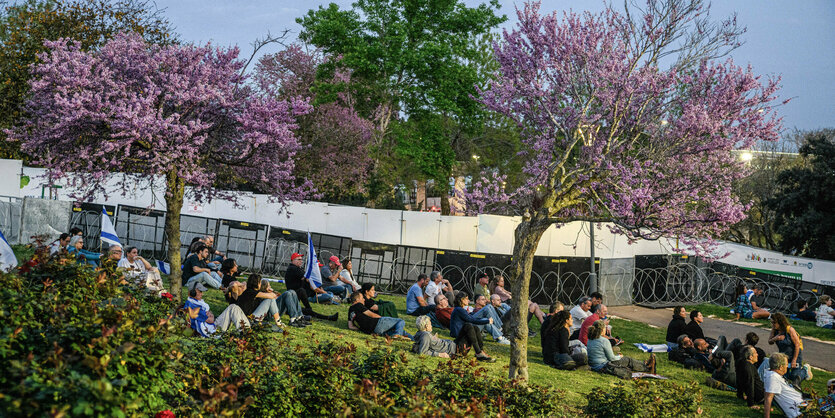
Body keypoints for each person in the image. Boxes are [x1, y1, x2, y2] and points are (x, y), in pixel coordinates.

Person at [232, 274, 308, 328]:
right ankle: (284, 321)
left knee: (292, 292)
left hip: (259, 314)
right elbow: (272, 297)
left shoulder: (253, 292)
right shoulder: (251, 292)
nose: (260, 284)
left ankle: (299, 317)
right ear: (257, 283)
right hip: (254, 317)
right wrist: (269, 292)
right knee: (275, 298)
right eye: (259, 282)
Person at [587, 320, 655, 379]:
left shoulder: (590, 339)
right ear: (602, 330)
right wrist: (619, 356)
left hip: (595, 365)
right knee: (627, 360)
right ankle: (647, 368)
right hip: (603, 366)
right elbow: (612, 358)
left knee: (626, 361)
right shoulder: (604, 341)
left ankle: (645, 364)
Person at [412, 315, 494, 362]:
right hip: (456, 350)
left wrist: (435, 340)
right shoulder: (425, 335)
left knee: (474, 328)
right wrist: (439, 354)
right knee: (468, 326)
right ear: (426, 326)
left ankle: (480, 352)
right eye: (430, 324)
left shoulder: (421, 333)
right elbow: (422, 352)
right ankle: (479, 352)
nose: (431, 326)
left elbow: (422, 345)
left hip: (453, 344)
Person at [283, 253, 338, 321]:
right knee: (303, 293)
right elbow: (309, 282)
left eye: (301, 259)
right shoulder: (293, 268)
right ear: (293, 260)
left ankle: (326, 316)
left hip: (296, 298)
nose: (301, 261)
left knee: (307, 308)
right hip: (296, 297)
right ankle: (326, 316)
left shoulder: (297, 269)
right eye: (299, 259)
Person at [184, 283, 249, 337]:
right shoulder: (193, 306)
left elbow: (210, 315)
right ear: (193, 293)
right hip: (212, 330)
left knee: (234, 307)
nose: (202, 294)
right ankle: (246, 333)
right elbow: (210, 320)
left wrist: (210, 315)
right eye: (200, 292)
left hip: (212, 326)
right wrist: (211, 316)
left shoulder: (195, 302)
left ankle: (247, 330)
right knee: (233, 307)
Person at [347, 292, 412, 339]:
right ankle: (397, 335)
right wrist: (383, 318)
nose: (364, 299)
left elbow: (350, 326)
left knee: (398, 330)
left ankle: (414, 339)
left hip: (373, 331)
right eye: (362, 298)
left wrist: (361, 328)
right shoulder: (358, 305)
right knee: (400, 321)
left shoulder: (350, 311)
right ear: (357, 300)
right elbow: (372, 315)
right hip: (378, 323)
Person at [768, 313, 810, 385]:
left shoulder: (789, 330)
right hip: (783, 356)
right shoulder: (775, 330)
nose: (773, 324)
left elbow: (797, 345)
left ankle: (805, 371)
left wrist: (794, 360)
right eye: (772, 322)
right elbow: (770, 341)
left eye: (774, 322)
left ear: (780, 322)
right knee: (784, 376)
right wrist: (777, 338)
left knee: (794, 376)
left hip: (794, 354)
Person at [763, 353, 806, 418]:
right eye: (786, 364)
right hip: (799, 410)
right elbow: (768, 398)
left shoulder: (774, 375)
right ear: (780, 367)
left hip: (802, 404)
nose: (787, 366)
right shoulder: (773, 377)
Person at [735, 345, 765, 410]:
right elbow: (750, 384)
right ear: (750, 357)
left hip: (757, 395)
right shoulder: (749, 368)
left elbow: (738, 380)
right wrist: (751, 404)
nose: (757, 355)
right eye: (755, 353)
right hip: (761, 397)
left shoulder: (740, 362)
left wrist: (740, 395)